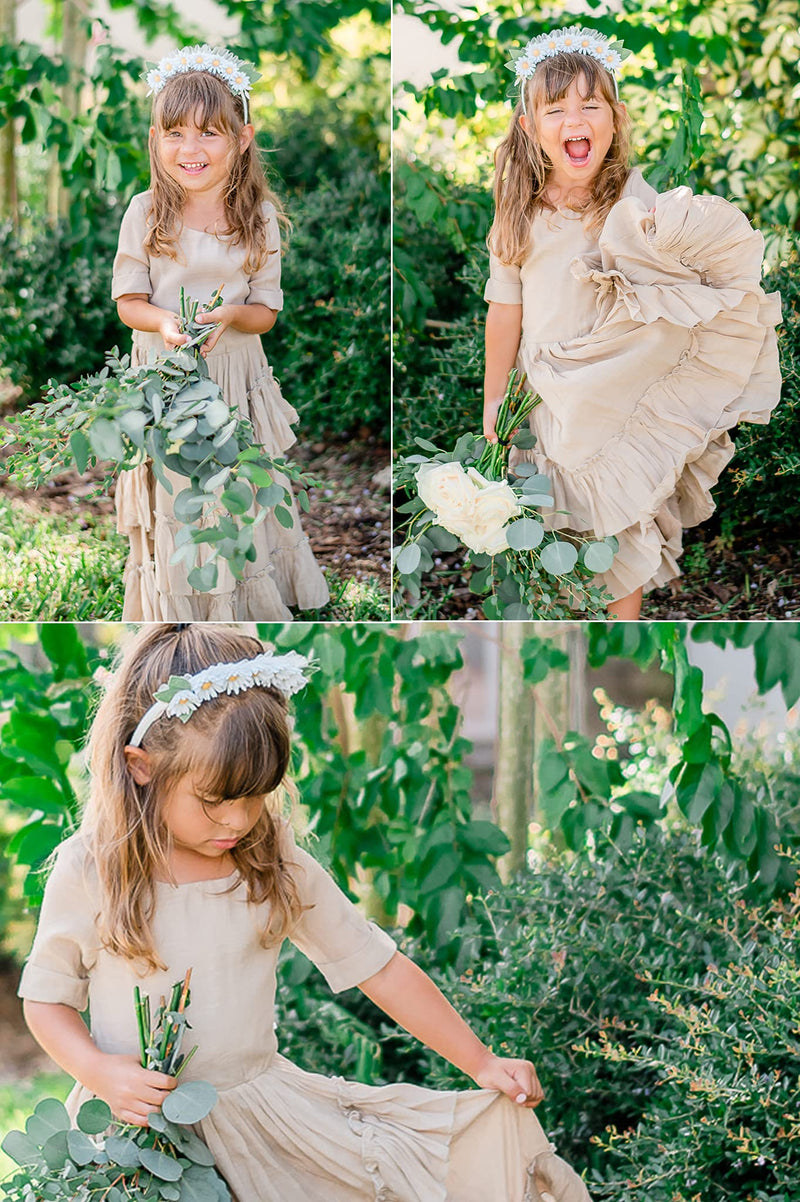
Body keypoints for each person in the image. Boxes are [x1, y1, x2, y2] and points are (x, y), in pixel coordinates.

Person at [18, 623, 590, 1202]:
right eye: (215, 801)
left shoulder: (269, 862)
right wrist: (98, 1072)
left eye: (256, 796)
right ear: (141, 766)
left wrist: (482, 1061)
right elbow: (47, 1000)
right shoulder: (94, 870)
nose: (238, 822)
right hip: (135, 1129)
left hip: (262, 1124)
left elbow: (378, 967)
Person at [483, 25, 782, 620]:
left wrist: (679, 234)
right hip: (547, 390)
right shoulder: (518, 213)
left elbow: (666, 272)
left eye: (591, 105)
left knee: (617, 516)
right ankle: (565, 623)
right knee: (553, 516)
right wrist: (495, 399)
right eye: (557, 108)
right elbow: (504, 308)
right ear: (529, 127)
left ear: (614, 119)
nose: (577, 118)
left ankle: (624, 629)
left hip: (613, 391)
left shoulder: (631, 200)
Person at [112, 45, 329, 621]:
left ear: (242, 138)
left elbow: (264, 311)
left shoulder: (255, 215)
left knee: (241, 487)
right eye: (175, 132)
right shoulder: (144, 211)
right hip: (166, 376)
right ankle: (186, 599)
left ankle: (251, 592)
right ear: (156, 139)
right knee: (182, 488)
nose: (191, 148)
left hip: (235, 373)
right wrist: (163, 323)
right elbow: (129, 301)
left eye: (209, 133)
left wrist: (230, 316)